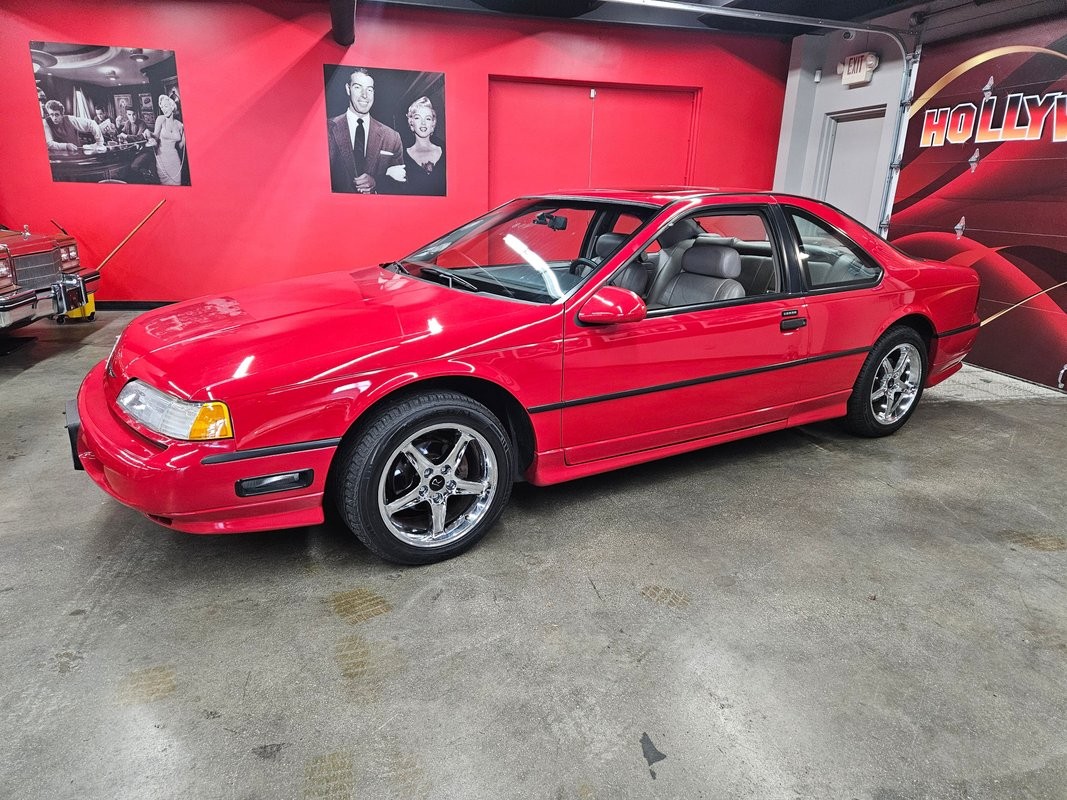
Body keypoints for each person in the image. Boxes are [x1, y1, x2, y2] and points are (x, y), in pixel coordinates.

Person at [327, 68, 405, 194]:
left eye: (369, 89)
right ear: (348, 89)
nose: (365, 95)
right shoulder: (327, 129)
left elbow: (400, 185)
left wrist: (377, 183)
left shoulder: (392, 137)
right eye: (358, 87)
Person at [400, 96, 445, 196]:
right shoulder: (401, 156)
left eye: (428, 118)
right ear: (411, 123)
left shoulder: (447, 152)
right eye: (417, 118)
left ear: (433, 124)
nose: (423, 123)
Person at [116, 107, 157, 183]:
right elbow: (122, 134)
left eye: (133, 114)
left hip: (146, 151)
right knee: (125, 166)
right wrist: (118, 128)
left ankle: (149, 178)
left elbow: (140, 137)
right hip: (136, 152)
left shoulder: (142, 123)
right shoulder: (127, 123)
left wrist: (126, 137)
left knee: (134, 166)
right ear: (127, 115)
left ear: (137, 114)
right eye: (129, 115)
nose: (132, 117)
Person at [152, 94, 186, 186]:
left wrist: (185, 136)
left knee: (177, 185)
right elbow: (155, 136)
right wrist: (149, 135)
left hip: (174, 160)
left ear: (172, 106)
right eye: (162, 107)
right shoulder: (160, 119)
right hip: (162, 159)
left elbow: (180, 146)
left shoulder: (179, 124)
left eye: (166, 106)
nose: (163, 109)